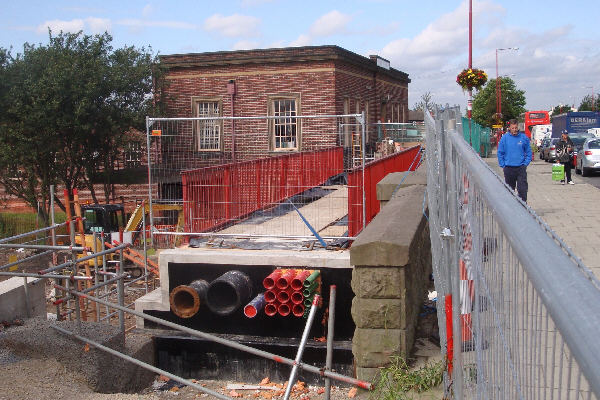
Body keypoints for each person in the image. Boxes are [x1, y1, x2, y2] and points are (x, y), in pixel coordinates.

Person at [497, 119, 531, 202]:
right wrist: (503, 165)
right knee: (509, 191)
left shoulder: (523, 138)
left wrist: (525, 163)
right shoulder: (504, 138)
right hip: (509, 168)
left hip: (520, 168)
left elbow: (529, 152)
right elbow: (500, 152)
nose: (514, 130)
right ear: (509, 128)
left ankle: (523, 208)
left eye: (516, 128)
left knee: (522, 190)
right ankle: (510, 208)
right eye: (513, 128)